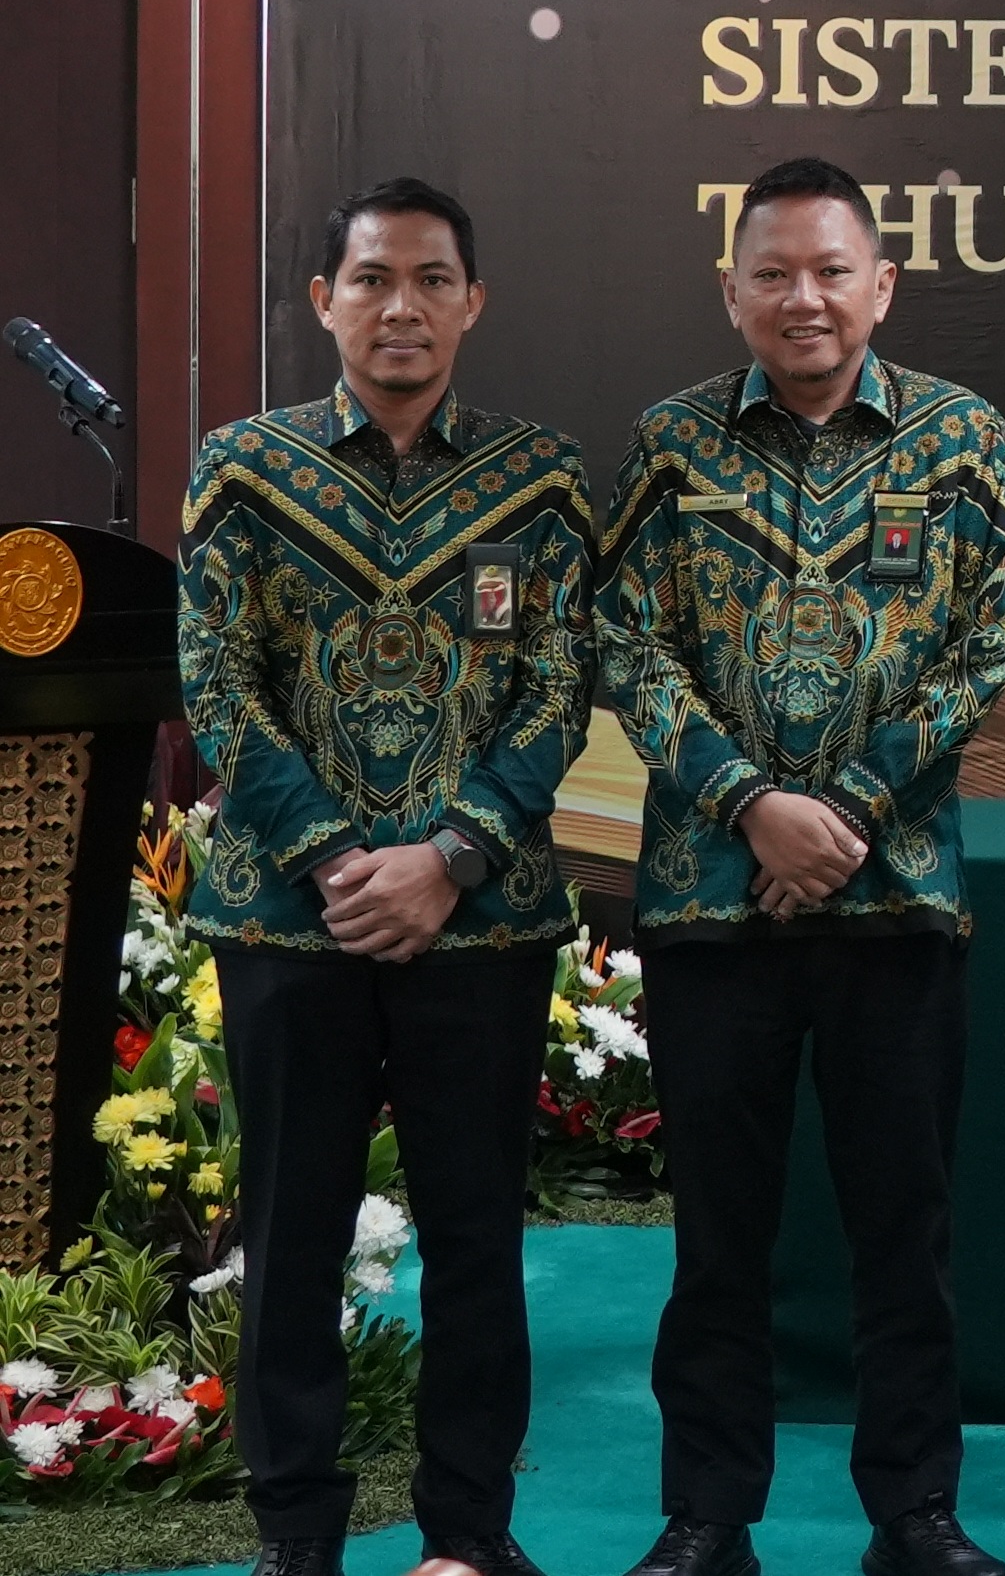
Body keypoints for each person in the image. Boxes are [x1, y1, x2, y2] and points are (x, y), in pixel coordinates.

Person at [593, 156, 1005, 1576]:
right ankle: (706, 1516)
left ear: (881, 285)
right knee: (719, 1239)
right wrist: (748, 805)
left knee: (906, 1231)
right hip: (711, 906)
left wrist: (836, 813)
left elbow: (983, 649)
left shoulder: (962, 438)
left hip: (897, 902)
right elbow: (625, 642)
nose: (804, 298)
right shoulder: (671, 444)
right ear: (731, 292)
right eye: (772, 273)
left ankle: (916, 1514)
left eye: (832, 271)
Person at [176, 178, 590, 1576]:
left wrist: (451, 858)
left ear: (473, 302)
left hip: (482, 925)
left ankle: (468, 1534)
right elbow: (217, 683)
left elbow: (560, 689)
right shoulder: (243, 469)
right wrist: (339, 859)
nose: (400, 306)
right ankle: (297, 1536)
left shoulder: (539, 479)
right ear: (324, 301)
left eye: (430, 280)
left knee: (477, 1240)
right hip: (291, 922)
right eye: (371, 279)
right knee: (290, 1236)